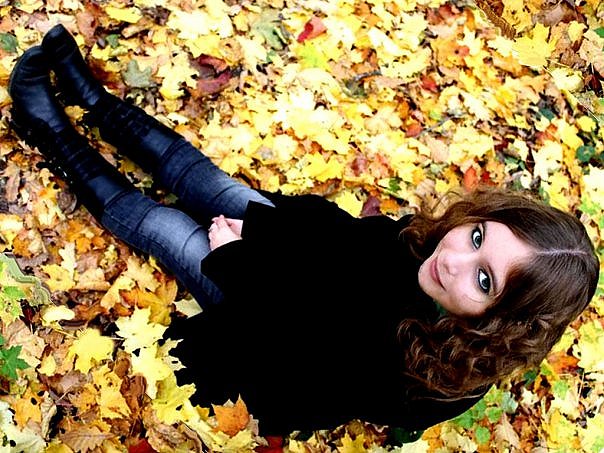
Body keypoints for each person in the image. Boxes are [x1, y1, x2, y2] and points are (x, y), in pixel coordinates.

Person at [8, 24, 600, 437]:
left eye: (483, 279)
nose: (453, 260)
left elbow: (289, 361)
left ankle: (49, 133)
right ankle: (93, 98)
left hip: (256, 316)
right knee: (210, 182)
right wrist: (263, 225)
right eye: (476, 237)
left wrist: (235, 259)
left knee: (166, 225)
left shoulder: (429, 377)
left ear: (500, 321)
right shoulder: (429, 250)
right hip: (285, 259)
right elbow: (339, 240)